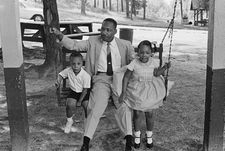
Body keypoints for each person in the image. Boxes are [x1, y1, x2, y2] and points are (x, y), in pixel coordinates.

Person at [51, 18, 135, 151]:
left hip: (118, 78)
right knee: (96, 108)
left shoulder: (125, 44)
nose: (104, 32)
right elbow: (74, 45)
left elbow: (135, 61)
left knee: (123, 106)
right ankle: (86, 142)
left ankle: (129, 140)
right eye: (102, 29)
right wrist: (61, 36)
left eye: (108, 30)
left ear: (115, 31)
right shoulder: (92, 41)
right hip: (101, 79)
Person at [118, 40, 171, 149]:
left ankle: (149, 135)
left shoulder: (154, 62)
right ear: (138, 53)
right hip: (137, 91)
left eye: (147, 52)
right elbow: (126, 77)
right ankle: (137, 135)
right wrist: (123, 93)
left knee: (149, 114)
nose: (144, 55)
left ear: (151, 53)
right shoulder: (134, 63)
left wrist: (165, 67)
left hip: (150, 91)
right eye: (141, 52)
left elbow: (156, 73)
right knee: (137, 113)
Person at [55, 52, 91, 134]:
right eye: (73, 64)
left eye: (78, 64)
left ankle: (87, 123)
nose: (76, 66)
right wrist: (58, 81)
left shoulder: (85, 75)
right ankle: (69, 120)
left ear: (82, 63)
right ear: (70, 63)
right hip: (74, 91)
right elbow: (61, 75)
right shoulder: (68, 71)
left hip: (84, 93)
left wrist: (79, 101)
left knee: (87, 106)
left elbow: (85, 90)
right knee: (69, 105)